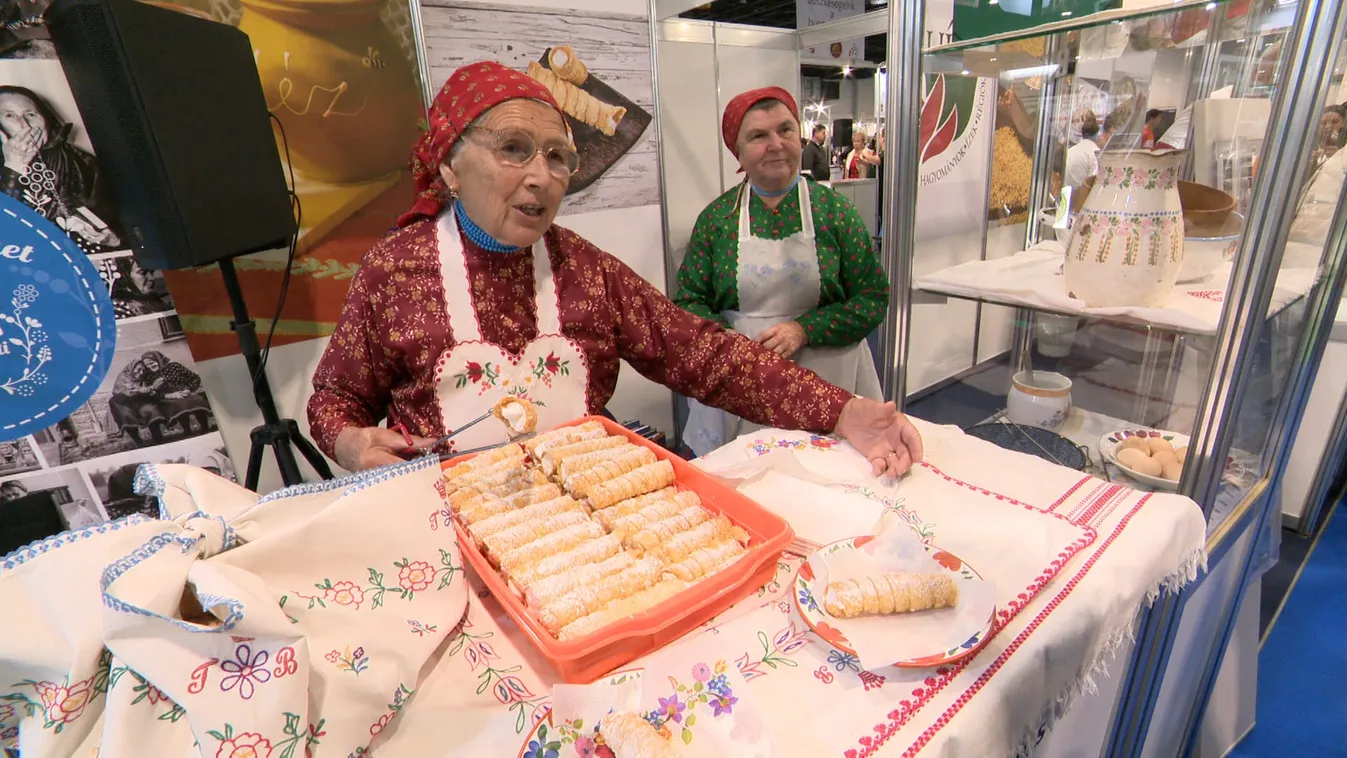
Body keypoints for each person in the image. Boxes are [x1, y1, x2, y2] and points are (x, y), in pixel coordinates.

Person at [308, 62, 922, 476]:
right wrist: (351, 441)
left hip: (588, 521)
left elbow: (705, 354)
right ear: (448, 164)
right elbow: (335, 398)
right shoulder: (395, 272)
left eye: (558, 156)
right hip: (446, 527)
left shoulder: (586, 271)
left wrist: (841, 411)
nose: (541, 176)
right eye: (513, 149)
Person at [673, 87, 888, 456]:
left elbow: (872, 298)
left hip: (829, 380)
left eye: (785, 130)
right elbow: (689, 302)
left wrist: (805, 329)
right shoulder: (717, 220)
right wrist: (730, 345)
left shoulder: (835, 213)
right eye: (758, 136)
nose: (775, 144)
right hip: (745, 383)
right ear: (738, 151)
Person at [0, 86, 121, 250]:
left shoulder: (81, 161)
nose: (25, 125)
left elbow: (122, 223)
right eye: (10, 116)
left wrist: (111, 238)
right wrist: (13, 168)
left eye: (30, 114)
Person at [1063, 114, 1106, 191]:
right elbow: (1093, 182)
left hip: (1065, 193)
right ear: (1098, 135)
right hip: (1083, 195)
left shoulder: (1070, 151)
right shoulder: (1095, 154)